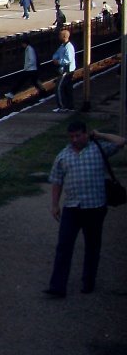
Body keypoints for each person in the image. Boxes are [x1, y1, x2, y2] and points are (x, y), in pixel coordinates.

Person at [43, 122, 127, 298]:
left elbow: (121, 141)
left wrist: (101, 134)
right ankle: (57, 287)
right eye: (71, 136)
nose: (75, 139)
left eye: (78, 135)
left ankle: (88, 282)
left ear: (86, 134)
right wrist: (54, 204)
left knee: (92, 246)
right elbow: (56, 182)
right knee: (64, 246)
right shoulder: (63, 156)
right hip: (72, 208)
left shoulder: (98, 149)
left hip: (95, 207)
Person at [51, 28, 76, 112]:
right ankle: (69, 106)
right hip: (64, 69)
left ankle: (62, 106)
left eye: (60, 35)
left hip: (67, 70)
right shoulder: (62, 46)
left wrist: (58, 62)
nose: (58, 37)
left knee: (59, 87)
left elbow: (68, 59)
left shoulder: (69, 47)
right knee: (67, 88)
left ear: (64, 36)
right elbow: (56, 53)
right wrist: (54, 58)